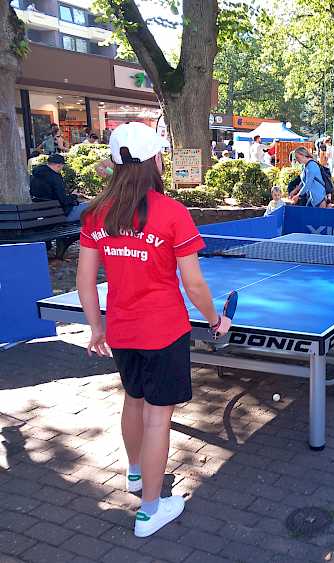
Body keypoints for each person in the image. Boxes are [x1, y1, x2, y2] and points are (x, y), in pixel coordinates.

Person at [76, 122, 231, 537]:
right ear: (154, 161)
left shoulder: (96, 214)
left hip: (122, 331)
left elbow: (85, 281)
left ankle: (134, 473)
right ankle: (149, 510)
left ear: (114, 162)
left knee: (134, 400)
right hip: (164, 331)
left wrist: (95, 328)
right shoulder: (172, 213)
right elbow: (194, 283)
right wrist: (216, 319)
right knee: (158, 417)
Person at [29, 154, 85, 222]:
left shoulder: (35, 175)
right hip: (60, 215)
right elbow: (63, 201)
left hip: (44, 214)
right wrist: (74, 195)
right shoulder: (55, 178)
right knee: (90, 207)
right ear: (59, 165)